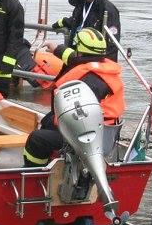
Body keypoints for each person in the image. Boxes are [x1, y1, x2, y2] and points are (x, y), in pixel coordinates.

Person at [22, 28, 124, 167]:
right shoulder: (103, 68)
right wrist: (56, 49)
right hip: (104, 134)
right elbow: (73, 58)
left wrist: (54, 122)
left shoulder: (88, 81)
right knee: (47, 123)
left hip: (85, 136)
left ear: (80, 50)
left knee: (36, 139)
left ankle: (33, 171)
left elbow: (77, 116)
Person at [52, 0, 123, 61]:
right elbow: (79, 21)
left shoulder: (108, 10)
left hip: (93, 61)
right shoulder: (81, 3)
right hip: (78, 55)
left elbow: (112, 46)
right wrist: (64, 22)